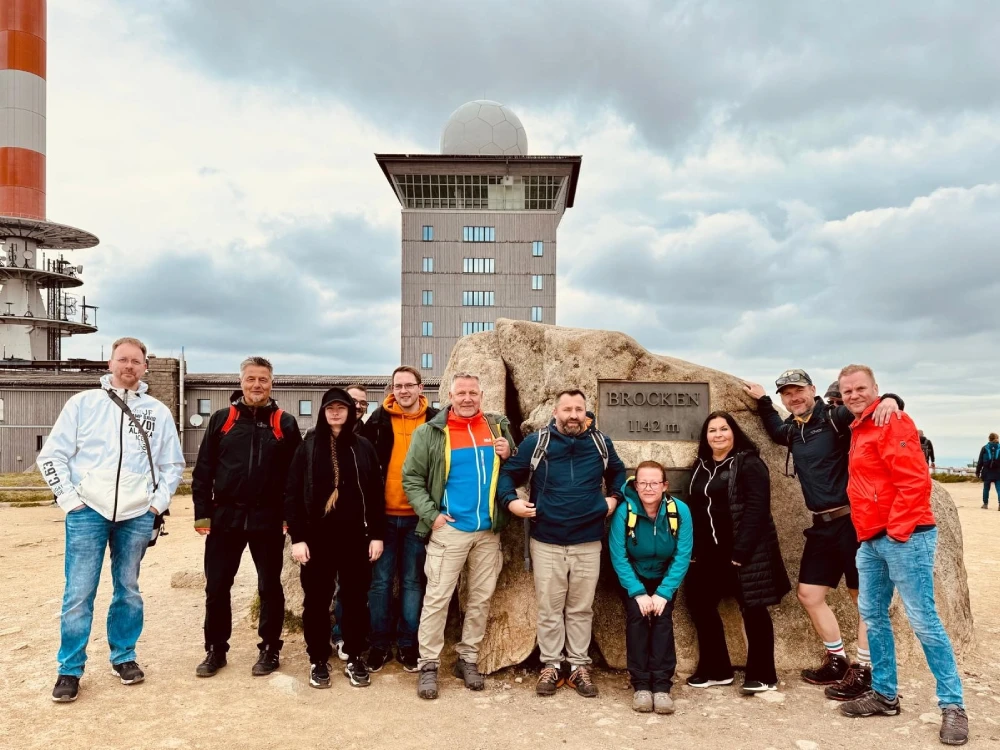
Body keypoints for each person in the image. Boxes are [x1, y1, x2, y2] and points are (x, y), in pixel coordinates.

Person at [38, 337, 185, 702]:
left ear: (145, 367)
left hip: (136, 514)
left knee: (128, 590)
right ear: (110, 363)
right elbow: (51, 457)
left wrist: (155, 505)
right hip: (88, 512)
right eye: (123, 359)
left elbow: (173, 465)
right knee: (79, 592)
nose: (129, 366)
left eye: (136, 361)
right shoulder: (83, 404)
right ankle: (69, 669)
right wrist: (70, 501)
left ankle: (124, 656)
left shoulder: (157, 412)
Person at [743, 369, 903, 700]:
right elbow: (775, 430)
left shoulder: (834, 417)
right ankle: (837, 660)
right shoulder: (794, 429)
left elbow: (863, 406)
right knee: (809, 595)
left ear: (812, 390)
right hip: (822, 525)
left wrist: (890, 399)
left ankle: (864, 669)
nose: (794, 397)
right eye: (787, 394)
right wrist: (762, 400)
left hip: (853, 522)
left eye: (798, 391)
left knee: (863, 599)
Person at [837, 364, 967, 746]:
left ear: (876, 388)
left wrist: (896, 532)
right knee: (873, 616)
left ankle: (953, 706)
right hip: (871, 540)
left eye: (861, 388)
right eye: (847, 391)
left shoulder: (892, 420)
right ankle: (885, 694)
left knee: (923, 619)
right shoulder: (859, 426)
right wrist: (872, 536)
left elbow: (914, 481)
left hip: (905, 536)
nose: (854, 395)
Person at [498, 389, 627, 699]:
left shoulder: (600, 443)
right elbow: (508, 474)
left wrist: (614, 498)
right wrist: (511, 502)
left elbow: (619, 472)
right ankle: (552, 665)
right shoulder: (536, 442)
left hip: (587, 540)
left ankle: (579, 666)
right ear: (555, 412)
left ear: (585, 412)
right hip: (547, 541)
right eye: (567, 409)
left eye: (578, 409)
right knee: (550, 608)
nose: (573, 414)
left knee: (581, 609)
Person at [401, 372, 514, 699]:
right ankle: (428, 664)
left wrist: (509, 453)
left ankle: (467, 658)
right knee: (437, 599)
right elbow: (411, 478)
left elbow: (513, 470)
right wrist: (432, 515)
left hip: (487, 532)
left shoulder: (496, 427)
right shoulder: (431, 432)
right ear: (449, 394)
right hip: (450, 530)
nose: (467, 398)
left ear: (481, 395)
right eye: (461, 393)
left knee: (480, 599)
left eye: (473, 393)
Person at [191, 356, 302, 678]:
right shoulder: (222, 420)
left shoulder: (285, 422)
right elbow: (204, 471)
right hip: (225, 517)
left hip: (268, 518)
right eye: (251, 379)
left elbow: (296, 476)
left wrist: (289, 517)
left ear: (272, 383)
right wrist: (202, 514)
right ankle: (215, 649)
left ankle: (269, 649)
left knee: (269, 587)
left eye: (263, 379)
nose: (257, 385)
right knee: (217, 586)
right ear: (241, 382)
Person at [284, 388, 385, 689]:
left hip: (356, 537)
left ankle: (354, 656)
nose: (336, 412)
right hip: (317, 539)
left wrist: (377, 535)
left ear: (351, 412)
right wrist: (298, 538)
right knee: (315, 602)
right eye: (331, 408)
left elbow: (376, 495)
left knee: (355, 600)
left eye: (342, 407)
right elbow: (292, 493)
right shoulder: (309, 446)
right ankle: (318, 659)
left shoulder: (363, 447)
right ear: (323, 412)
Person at [684, 411, 790, 694]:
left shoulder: (749, 463)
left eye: (724, 429)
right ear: (705, 436)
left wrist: (741, 551)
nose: (718, 435)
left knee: (753, 610)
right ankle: (717, 670)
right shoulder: (702, 466)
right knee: (700, 604)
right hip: (707, 554)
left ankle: (764, 674)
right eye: (712, 430)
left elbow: (757, 509)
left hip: (744, 553)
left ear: (734, 432)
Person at [361, 367, 439, 672]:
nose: (403, 391)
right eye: (398, 386)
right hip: (383, 518)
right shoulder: (377, 420)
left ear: (421, 388)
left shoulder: (435, 420)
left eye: (409, 385)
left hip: (419, 518)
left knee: (412, 582)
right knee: (379, 583)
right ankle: (379, 644)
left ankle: (408, 645)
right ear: (391, 389)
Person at [608, 461, 692, 715]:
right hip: (634, 576)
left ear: (665, 485)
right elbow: (618, 554)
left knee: (663, 620)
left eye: (654, 482)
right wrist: (638, 592)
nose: (648, 488)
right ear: (635, 484)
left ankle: (662, 686)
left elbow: (683, 553)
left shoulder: (680, 511)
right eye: (642, 482)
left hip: (664, 576)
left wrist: (664, 592)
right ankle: (642, 685)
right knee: (637, 618)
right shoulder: (625, 511)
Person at [328, 384, 370, 661]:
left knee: (356, 585)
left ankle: (353, 634)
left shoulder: (369, 435)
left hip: (359, 525)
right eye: (352, 401)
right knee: (329, 586)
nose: (358, 407)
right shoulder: (317, 438)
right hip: (327, 527)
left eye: (363, 403)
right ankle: (334, 635)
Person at [977, 433, 1000, 509]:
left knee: (986, 488)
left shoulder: (984, 448)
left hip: (987, 471)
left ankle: (985, 504)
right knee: (999, 488)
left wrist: (978, 472)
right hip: (998, 471)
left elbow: (980, 461)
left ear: (989, 439)